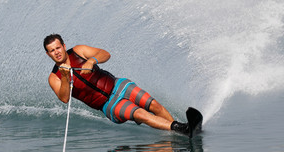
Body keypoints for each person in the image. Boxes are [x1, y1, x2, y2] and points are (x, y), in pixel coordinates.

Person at [43, 34, 189, 135]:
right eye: (52, 51)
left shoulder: (78, 50)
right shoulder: (54, 77)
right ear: (48, 54)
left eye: (58, 48)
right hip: (109, 105)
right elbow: (64, 98)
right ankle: (180, 128)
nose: (56, 52)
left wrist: (92, 60)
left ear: (63, 46)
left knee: (154, 105)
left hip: (118, 85)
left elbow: (105, 54)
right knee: (140, 114)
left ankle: (179, 133)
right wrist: (65, 78)